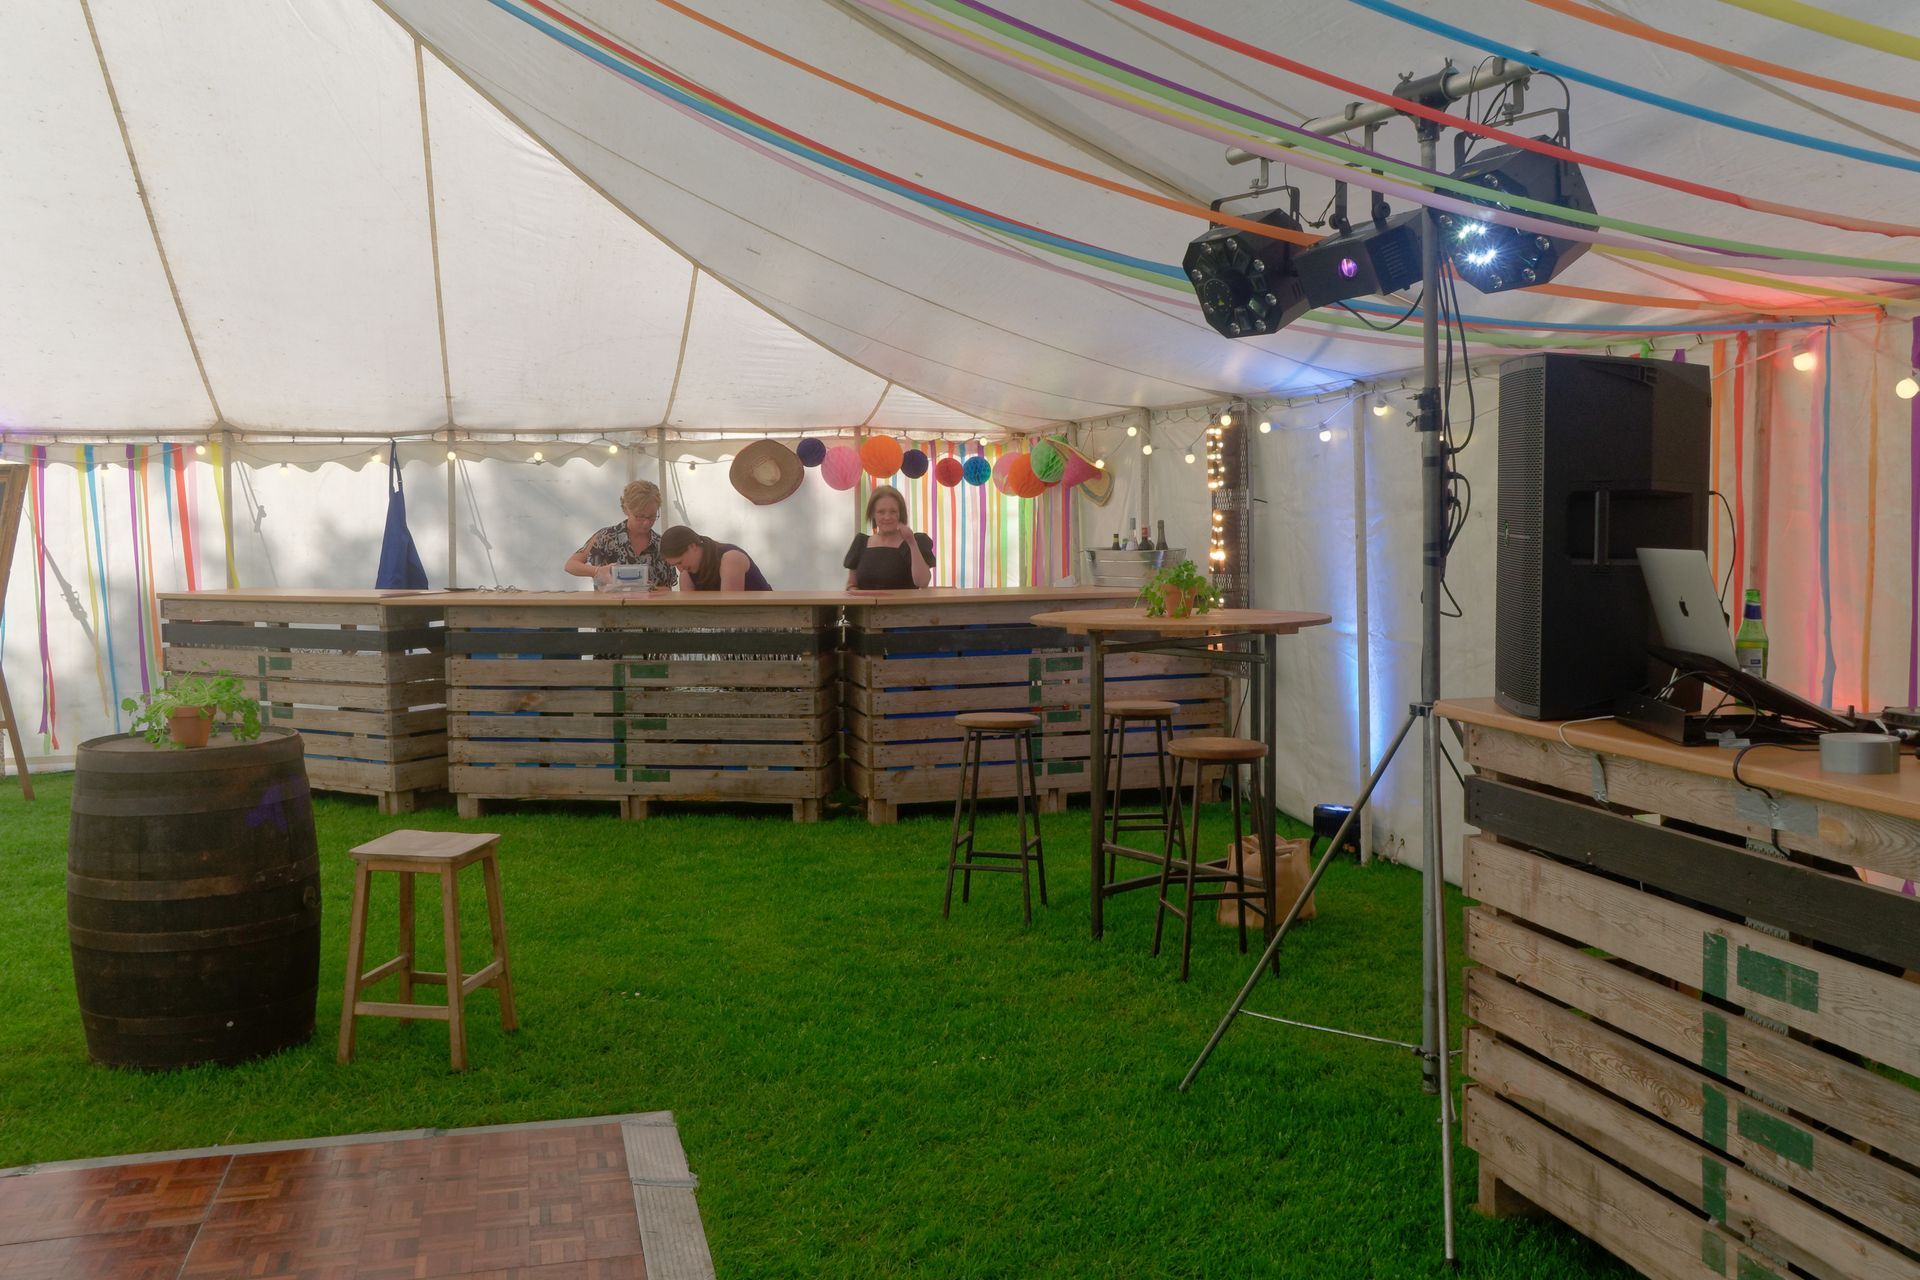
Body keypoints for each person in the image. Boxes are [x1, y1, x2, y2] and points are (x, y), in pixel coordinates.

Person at [564, 480, 677, 591]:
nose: (646, 522)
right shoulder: (607, 537)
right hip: (609, 608)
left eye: (652, 516)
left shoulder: (661, 544)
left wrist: (652, 590)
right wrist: (597, 571)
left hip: (651, 609)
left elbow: (667, 589)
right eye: (640, 516)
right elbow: (571, 565)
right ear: (626, 510)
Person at [843, 484, 934, 590]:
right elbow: (851, 585)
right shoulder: (860, 543)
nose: (887, 517)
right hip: (866, 606)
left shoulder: (917, 541)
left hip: (903, 606)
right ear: (873, 514)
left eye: (893, 511)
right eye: (881, 512)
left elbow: (922, 583)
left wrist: (912, 543)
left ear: (900, 514)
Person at [659, 525, 773, 592]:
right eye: (675, 565)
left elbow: (729, 610)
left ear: (692, 547)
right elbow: (690, 614)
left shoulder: (731, 559)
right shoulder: (686, 575)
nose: (681, 569)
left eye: (680, 562)